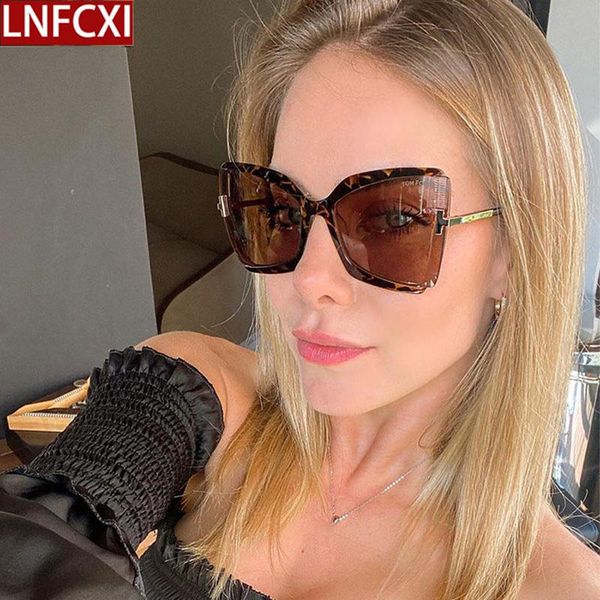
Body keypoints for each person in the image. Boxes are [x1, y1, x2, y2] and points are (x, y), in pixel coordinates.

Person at [1, 0, 600, 598]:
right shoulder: (205, 397)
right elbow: (44, 532)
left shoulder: (556, 587)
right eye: (281, 210)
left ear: (515, 253)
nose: (309, 279)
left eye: (392, 219)